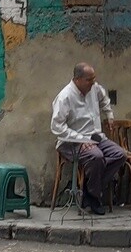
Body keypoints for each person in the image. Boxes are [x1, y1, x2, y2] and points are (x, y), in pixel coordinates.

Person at [51, 62, 126, 215]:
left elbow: (104, 98)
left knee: (120, 154)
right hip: (70, 141)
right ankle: (94, 196)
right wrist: (80, 139)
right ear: (77, 79)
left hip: (94, 136)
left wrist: (109, 114)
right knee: (96, 157)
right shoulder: (65, 97)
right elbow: (57, 127)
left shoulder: (94, 88)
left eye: (94, 79)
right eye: (89, 80)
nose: (93, 82)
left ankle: (88, 189)